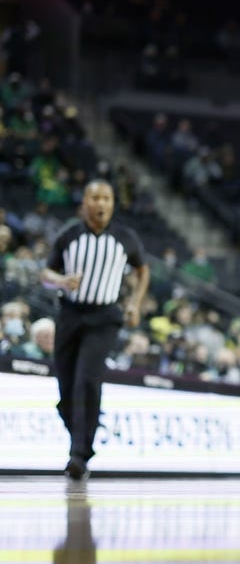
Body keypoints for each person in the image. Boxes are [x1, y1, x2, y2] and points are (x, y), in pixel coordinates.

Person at [40, 180, 149, 480]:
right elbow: (46, 274)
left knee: (86, 380)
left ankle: (79, 455)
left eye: (106, 198)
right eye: (95, 198)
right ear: (85, 202)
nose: (101, 204)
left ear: (113, 204)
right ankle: (81, 441)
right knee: (65, 389)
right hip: (70, 315)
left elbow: (143, 270)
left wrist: (135, 304)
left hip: (104, 317)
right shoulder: (69, 235)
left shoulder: (126, 237)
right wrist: (60, 281)